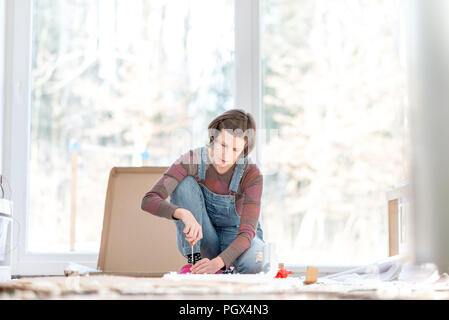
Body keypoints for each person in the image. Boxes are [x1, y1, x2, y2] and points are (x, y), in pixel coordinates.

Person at [141, 109, 265, 274]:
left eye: (235, 150)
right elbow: (149, 199)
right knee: (183, 182)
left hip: (237, 240)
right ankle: (196, 264)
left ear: (244, 151)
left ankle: (225, 271)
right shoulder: (191, 160)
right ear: (213, 138)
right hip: (205, 241)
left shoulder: (251, 173)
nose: (226, 155)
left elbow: (247, 233)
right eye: (223, 145)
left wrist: (218, 263)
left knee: (258, 261)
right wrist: (182, 213)